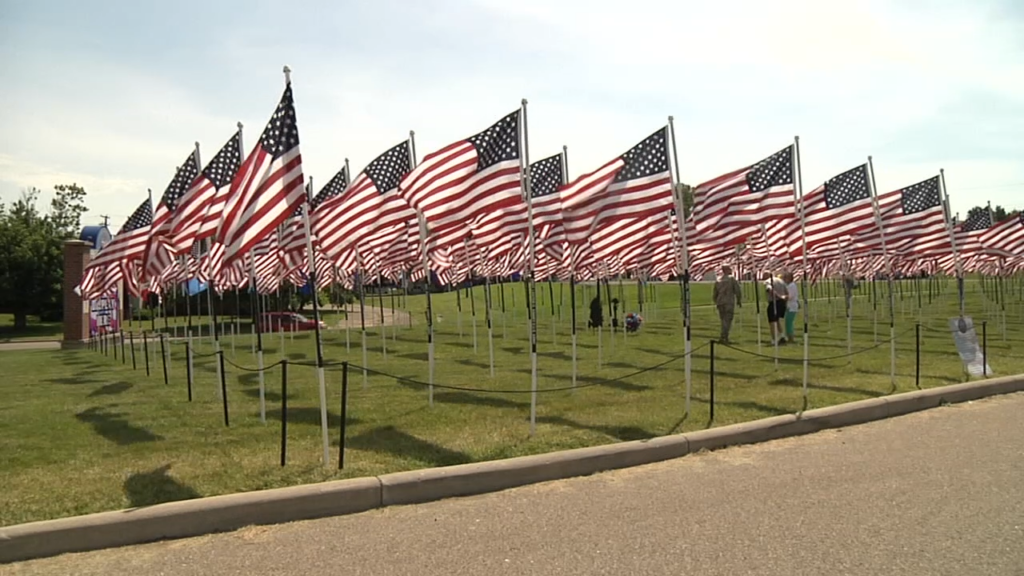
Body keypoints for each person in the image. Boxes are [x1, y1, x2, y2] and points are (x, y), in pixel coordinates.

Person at [712, 265, 742, 344]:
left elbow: (715, 293)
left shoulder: (718, 280)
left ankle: (724, 336)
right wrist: (739, 300)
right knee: (727, 320)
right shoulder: (731, 279)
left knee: (723, 320)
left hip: (720, 302)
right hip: (728, 302)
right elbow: (737, 290)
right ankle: (724, 336)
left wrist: (716, 301)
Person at [763, 271, 788, 345]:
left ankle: (774, 339)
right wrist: (784, 300)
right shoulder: (781, 281)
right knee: (777, 320)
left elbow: (769, 289)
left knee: (772, 321)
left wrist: (778, 296)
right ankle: (782, 335)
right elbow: (786, 292)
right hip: (782, 302)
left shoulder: (768, 281)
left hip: (774, 302)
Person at [783, 271, 799, 343]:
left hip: (791, 306)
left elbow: (790, 296)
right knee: (787, 322)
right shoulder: (789, 285)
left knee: (789, 322)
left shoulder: (792, 286)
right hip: (789, 306)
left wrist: (781, 297)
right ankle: (789, 336)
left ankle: (791, 338)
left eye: (785, 277)